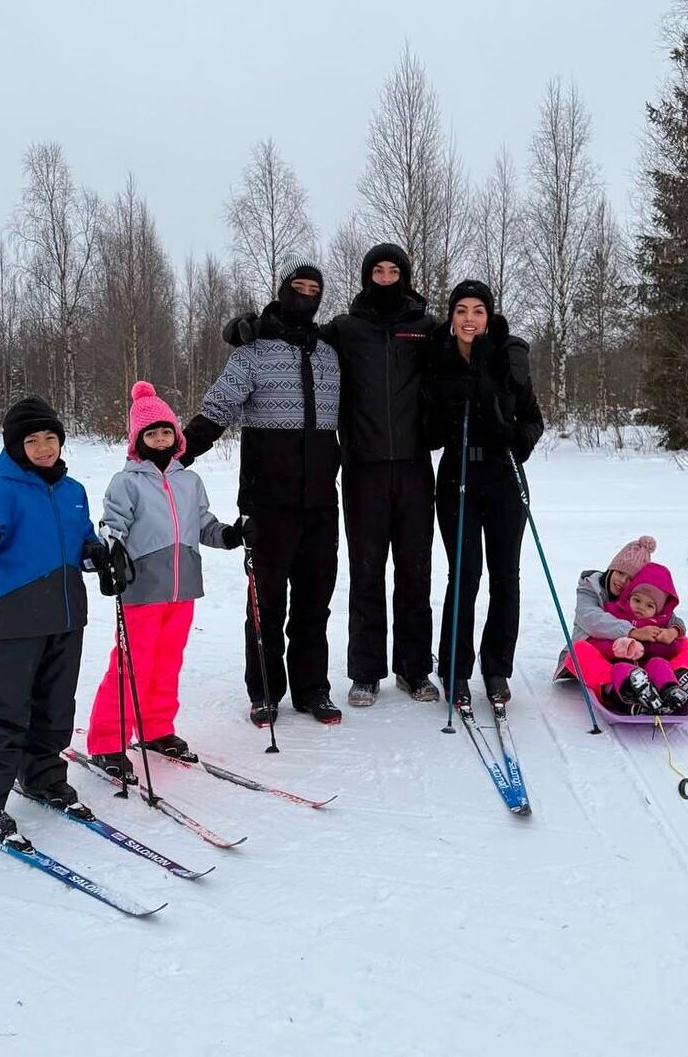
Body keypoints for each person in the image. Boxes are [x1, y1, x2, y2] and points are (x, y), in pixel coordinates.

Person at [224, 242, 440, 708]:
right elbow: (294, 332)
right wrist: (246, 327)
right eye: (377, 270)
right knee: (365, 572)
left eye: (393, 269)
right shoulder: (345, 329)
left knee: (416, 572)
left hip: (415, 468)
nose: (385, 276)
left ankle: (415, 668)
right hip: (362, 469)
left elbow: (467, 349)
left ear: (404, 275)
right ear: (366, 277)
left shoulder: (425, 329)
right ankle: (365, 672)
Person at [183, 255, 343, 726]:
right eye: (299, 286)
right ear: (282, 288)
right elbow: (219, 407)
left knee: (315, 602)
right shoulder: (252, 351)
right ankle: (266, 691)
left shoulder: (330, 352)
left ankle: (313, 689)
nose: (306, 295)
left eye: (315, 289)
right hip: (267, 501)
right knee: (266, 603)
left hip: (320, 501)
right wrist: (179, 452)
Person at [0, 396, 103, 848]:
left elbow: (83, 540)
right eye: (32, 441)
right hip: (18, 613)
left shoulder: (73, 491)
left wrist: (97, 554)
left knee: (56, 705)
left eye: (50, 438)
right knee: (7, 707)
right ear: (16, 446)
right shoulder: (3, 486)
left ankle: (43, 777)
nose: (43, 448)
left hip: (69, 612)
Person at [85, 381, 244, 782]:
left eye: (165, 430)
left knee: (167, 661)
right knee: (130, 665)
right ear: (138, 439)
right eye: (150, 432)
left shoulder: (189, 481)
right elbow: (113, 524)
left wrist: (228, 535)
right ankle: (107, 740)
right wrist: (110, 548)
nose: (159, 437)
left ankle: (155, 728)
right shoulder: (128, 482)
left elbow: (202, 524)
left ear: (177, 434)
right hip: (142, 587)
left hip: (183, 585)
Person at [423, 279, 544, 706]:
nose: (469, 318)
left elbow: (533, 419)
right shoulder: (437, 358)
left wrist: (512, 435)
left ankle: (496, 669)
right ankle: (455, 670)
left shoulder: (507, 356)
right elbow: (428, 430)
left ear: (488, 316)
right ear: (452, 317)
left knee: (505, 576)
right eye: (461, 310)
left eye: (477, 310)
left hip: (503, 475)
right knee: (465, 575)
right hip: (457, 475)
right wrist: (441, 417)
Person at [556, 538, 688, 706]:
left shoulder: (637, 597)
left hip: (642, 659)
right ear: (612, 568)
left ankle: (676, 678)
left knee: (686, 644)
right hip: (600, 654)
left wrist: (674, 630)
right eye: (620, 573)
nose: (621, 581)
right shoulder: (590, 587)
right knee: (577, 651)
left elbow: (668, 615)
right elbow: (590, 618)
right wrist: (633, 631)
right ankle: (613, 687)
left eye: (630, 579)